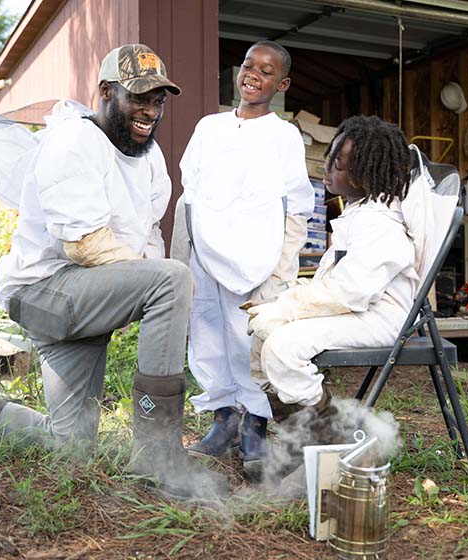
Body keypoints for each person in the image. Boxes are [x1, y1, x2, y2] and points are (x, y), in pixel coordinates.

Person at [0, 44, 227, 501]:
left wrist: (142, 292)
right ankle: (158, 454)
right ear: (106, 92)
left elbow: (148, 241)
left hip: (80, 299)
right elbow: (85, 246)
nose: (150, 110)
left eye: (159, 100)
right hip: (44, 293)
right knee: (170, 279)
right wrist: (149, 292)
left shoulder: (150, 160)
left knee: (70, 445)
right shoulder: (73, 140)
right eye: (138, 97)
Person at [172, 41, 314, 477]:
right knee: (208, 334)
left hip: (258, 257)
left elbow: (297, 205)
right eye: (249, 65)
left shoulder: (285, 135)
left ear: (282, 84)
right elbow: (188, 196)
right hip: (206, 253)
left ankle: (254, 425)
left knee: (249, 341)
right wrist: (182, 259)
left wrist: (281, 269)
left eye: (266, 71)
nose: (253, 74)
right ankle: (223, 421)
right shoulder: (208, 127)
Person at [247, 115, 418, 430]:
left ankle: (328, 432)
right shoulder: (358, 212)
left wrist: (288, 308)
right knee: (264, 337)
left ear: (366, 173)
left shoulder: (380, 223)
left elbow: (350, 290)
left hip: (380, 316)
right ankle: (293, 437)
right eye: (329, 160)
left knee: (284, 347)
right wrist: (286, 298)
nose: (327, 170)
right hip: (359, 307)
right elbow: (335, 281)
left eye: (338, 166)